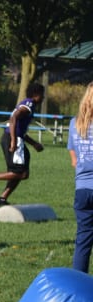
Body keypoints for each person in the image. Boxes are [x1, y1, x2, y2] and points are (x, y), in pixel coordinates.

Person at [0, 82, 46, 206]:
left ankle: (2, 199)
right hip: (12, 138)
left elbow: (20, 128)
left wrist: (34, 143)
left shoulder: (29, 105)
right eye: (42, 94)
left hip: (15, 138)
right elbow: (14, 118)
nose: (43, 97)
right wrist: (14, 140)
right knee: (20, 172)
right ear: (36, 94)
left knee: (22, 173)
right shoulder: (29, 103)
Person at [69, 82, 93, 273]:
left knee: (83, 242)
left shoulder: (74, 123)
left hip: (82, 190)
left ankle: (79, 286)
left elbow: (74, 160)